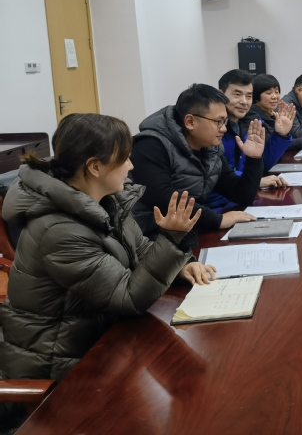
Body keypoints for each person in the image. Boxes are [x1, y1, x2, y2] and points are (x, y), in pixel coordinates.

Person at [0, 114, 213, 382]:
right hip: (60, 367)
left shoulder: (104, 201)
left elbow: (140, 249)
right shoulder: (59, 231)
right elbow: (128, 298)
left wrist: (181, 266)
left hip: (103, 341)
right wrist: (171, 240)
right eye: (124, 158)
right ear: (95, 167)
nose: (131, 165)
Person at [130, 84, 265, 241]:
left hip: (189, 233)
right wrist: (218, 220)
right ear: (190, 121)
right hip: (151, 240)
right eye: (218, 121)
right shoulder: (151, 145)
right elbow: (164, 199)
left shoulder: (210, 148)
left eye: (225, 121)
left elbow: (242, 194)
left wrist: (254, 159)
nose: (223, 129)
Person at [217, 70, 293, 190]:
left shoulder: (251, 123)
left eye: (248, 96)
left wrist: (280, 135)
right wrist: (253, 180)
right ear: (221, 94)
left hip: (243, 193)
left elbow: (264, 164)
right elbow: (215, 173)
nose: (244, 101)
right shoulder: (213, 128)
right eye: (237, 95)